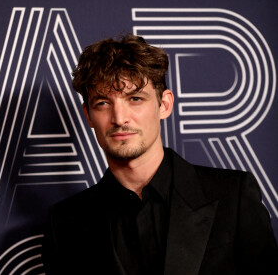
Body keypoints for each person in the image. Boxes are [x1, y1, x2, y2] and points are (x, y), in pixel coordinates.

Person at [42, 34, 278, 274]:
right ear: (88, 115)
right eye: (103, 103)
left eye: (135, 99)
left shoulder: (232, 195)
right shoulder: (64, 223)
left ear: (164, 104)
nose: (119, 118)